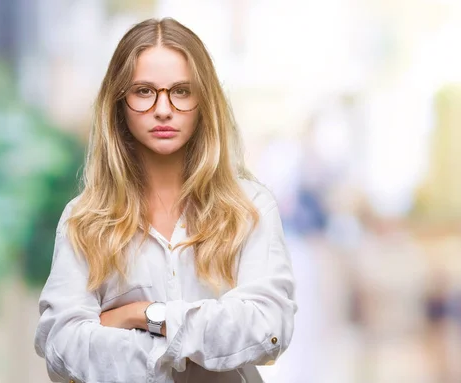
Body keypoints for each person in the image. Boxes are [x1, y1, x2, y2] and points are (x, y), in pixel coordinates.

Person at [34, 17, 297, 383]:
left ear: (204, 101)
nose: (163, 109)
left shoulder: (250, 207)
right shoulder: (84, 219)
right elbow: (63, 348)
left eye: (181, 91)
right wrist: (200, 341)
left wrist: (144, 316)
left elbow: (267, 329)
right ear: (119, 102)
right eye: (144, 90)